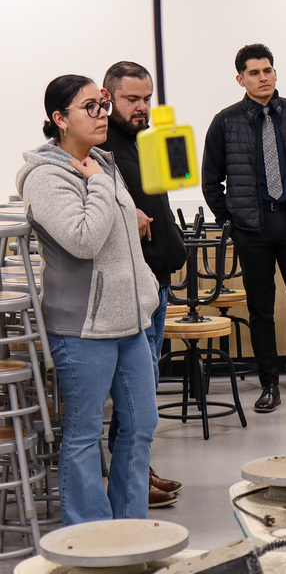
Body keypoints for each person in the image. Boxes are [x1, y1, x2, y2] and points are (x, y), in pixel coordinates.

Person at [16, 75, 160, 525]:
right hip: (83, 328)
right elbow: (83, 240)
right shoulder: (45, 176)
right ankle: (92, 539)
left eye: (102, 104)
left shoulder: (101, 161)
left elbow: (119, 237)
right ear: (60, 120)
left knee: (139, 429)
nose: (102, 114)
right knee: (83, 437)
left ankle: (132, 530)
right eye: (90, 108)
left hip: (130, 322)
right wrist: (99, 185)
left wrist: (146, 294)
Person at [202, 43, 286, 412]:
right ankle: (269, 387)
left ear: (275, 73)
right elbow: (210, 180)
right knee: (261, 310)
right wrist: (230, 221)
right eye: (253, 73)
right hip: (253, 229)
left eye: (267, 71)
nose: (262, 78)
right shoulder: (225, 121)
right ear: (240, 79)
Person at [99, 61, 185, 508]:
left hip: (158, 282)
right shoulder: (101, 148)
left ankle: (139, 470)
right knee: (135, 390)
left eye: (147, 98)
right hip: (133, 287)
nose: (142, 106)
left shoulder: (144, 141)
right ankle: (132, 477)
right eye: (132, 99)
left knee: (144, 389)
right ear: (108, 96)